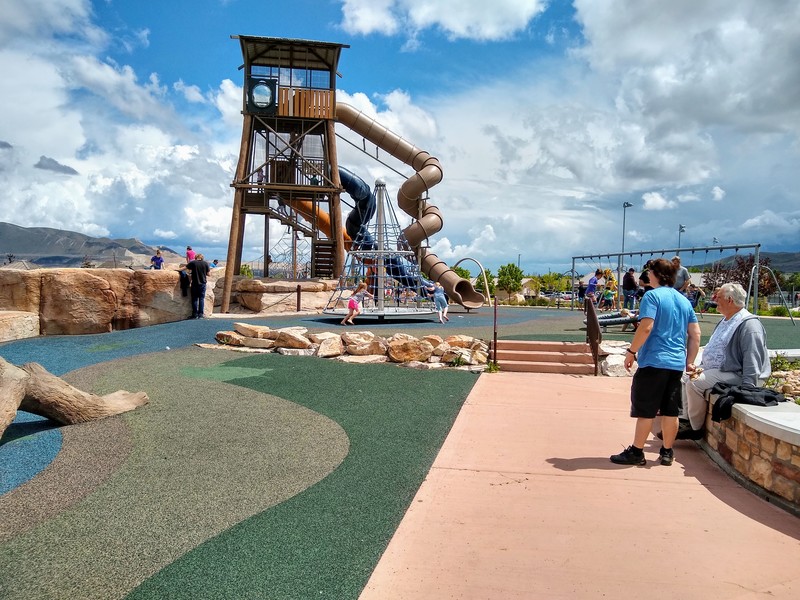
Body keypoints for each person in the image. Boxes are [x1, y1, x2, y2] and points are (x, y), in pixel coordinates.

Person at [610, 258, 701, 467]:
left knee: (646, 409)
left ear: (658, 275)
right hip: (676, 364)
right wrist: (690, 361)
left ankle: (637, 451)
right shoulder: (683, 300)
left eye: (650, 271)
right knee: (671, 410)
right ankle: (667, 452)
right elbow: (695, 334)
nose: (647, 274)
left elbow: (646, 327)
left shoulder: (651, 296)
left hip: (654, 361)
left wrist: (631, 351)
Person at [679, 283, 771, 439]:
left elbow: (752, 357)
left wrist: (748, 388)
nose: (714, 299)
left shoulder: (749, 325)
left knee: (695, 382)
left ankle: (695, 429)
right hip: (723, 369)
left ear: (730, 300)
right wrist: (701, 365)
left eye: (718, 297)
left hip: (738, 374)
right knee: (685, 375)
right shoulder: (726, 320)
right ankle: (685, 419)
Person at [183, 253, 210, 319]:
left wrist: (177, 269)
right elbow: (208, 274)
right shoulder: (205, 263)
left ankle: (194, 314)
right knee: (201, 298)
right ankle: (200, 314)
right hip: (202, 283)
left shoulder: (193, 263)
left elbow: (185, 268)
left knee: (194, 299)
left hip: (195, 283)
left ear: (196, 257)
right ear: (202, 257)